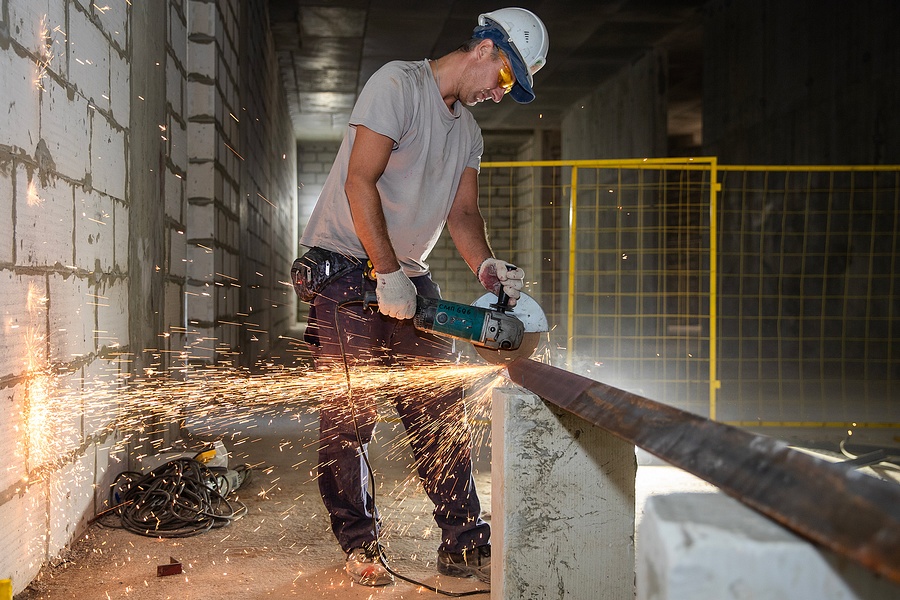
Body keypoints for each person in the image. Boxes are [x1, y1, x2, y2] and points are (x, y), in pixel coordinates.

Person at [291, 7, 549, 587]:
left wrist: (485, 265)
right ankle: (360, 545)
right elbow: (360, 180)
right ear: (485, 48)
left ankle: (464, 541)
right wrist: (384, 271)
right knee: (348, 418)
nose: (499, 93)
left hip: (406, 274)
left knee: (437, 411)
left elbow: (461, 213)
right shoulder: (397, 85)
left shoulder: (470, 132)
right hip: (344, 270)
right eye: (505, 77)